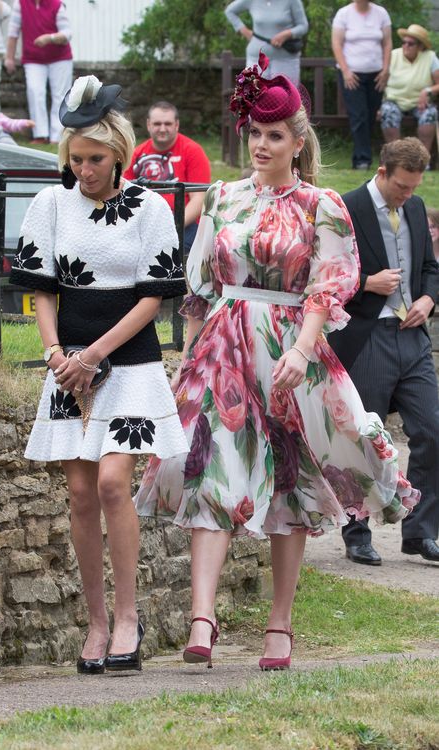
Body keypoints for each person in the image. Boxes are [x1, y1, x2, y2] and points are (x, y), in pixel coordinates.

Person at [135, 53, 419, 670]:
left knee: (290, 483)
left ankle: (280, 626)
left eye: (274, 135)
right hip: (223, 349)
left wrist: (300, 347)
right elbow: (200, 286)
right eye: (255, 134)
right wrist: (187, 358)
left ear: (297, 141)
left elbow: (330, 284)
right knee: (208, 472)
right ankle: (201, 620)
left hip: (293, 352)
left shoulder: (322, 206)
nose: (261, 145)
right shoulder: (221, 198)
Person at [9, 75, 188, 674]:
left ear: (118, 152)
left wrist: (94, 356)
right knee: (81, 492)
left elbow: (152, 298)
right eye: (75, 159)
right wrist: (58, 353)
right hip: (68, 367)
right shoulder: (50, 204)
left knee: (114, 482)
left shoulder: (150, 206)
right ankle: (95, 622)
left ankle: (130, 617)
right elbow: (41, 290)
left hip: (130, 361)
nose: (84, 169)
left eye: (95, 158)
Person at [329, 138, 439, 565]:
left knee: (432, 430)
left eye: (413, 189)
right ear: (382, 173)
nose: (408, 196)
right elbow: (321, 273)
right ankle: (356, 532)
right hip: (366, 336)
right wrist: (364, 283)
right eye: (401, 188)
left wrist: (429, 301)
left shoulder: (414, 208)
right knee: (364, 439)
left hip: (413, 337)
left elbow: (430, 268)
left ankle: (420, 531)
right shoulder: (346, 207)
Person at [124, 101, 211, 254]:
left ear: (176, 125)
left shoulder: (193, 151)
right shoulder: (136, 154)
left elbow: (199, 200)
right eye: (157, 123)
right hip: (144, 223)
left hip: (184, 223)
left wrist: (171, 225)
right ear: (148, 125)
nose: (162, 129)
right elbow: (124, 195)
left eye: (168, 124)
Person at [331, 0, 392, 170]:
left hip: (376, 74)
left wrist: (386, 70)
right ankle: (361, 160)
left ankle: (365, 155)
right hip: (352, 75)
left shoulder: (381, 13)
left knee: (371, 115)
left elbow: (387, 43)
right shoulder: (343, 14)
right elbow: (336, 44)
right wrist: (346, 71)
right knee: (359, 115)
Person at [4, 0, 73, 144]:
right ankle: (40, 134)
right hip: (33, 58)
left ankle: (58, 137)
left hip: (60, 58)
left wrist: (50, 38)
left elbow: (67, 34)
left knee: (60, 95)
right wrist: (9, 58)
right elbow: (13, 32)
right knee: (35, 92)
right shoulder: (20, 4)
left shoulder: (56, 4)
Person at [380, 25, 439, 156]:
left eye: (410, 43)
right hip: (394, 100)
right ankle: (396, 159)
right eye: (404, 42)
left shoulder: (430, 57)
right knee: (388, 112)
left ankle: (423, 160)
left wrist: (427, 91)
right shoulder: (393, 55)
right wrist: (379, 105)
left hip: (420, 102)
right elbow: (381, 82)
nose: (405, 46)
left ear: (420, 46)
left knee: (430, 114)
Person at [224, 0, 308, 83]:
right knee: (257, 95)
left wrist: (287, 34)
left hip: (285, 60)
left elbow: (303, 26)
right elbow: (230, 11)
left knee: (285, 96)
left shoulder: (293, 1)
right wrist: (244, 30)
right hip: (256, 60)